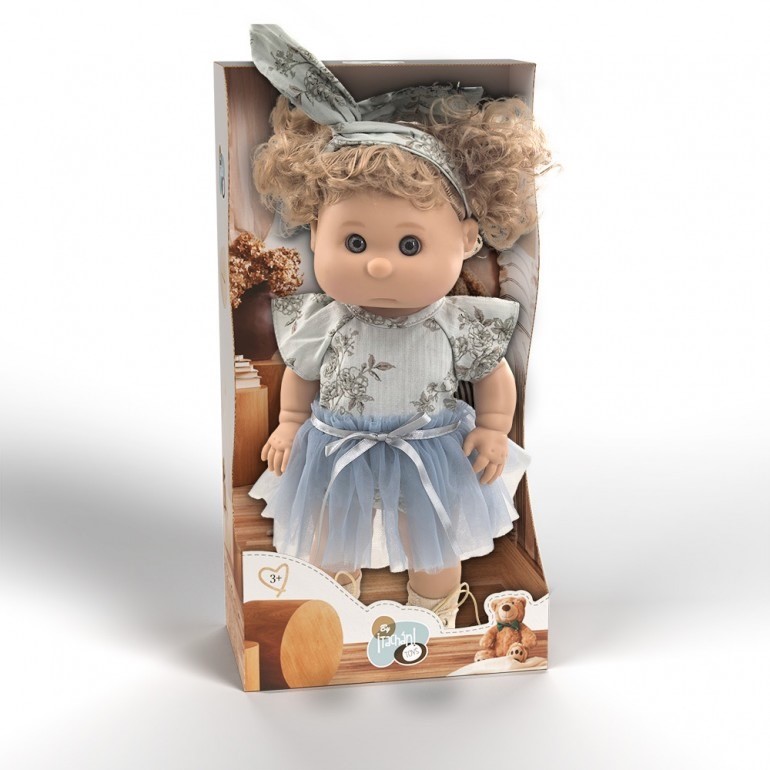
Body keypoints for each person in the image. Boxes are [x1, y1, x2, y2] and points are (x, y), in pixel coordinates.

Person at [248, 25, 550, 627]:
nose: (379, 265)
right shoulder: (327, 318)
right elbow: (303, 372)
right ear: (316, 235)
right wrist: (289, 422)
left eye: (410, 244)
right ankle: (332, 616)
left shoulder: (455, 322)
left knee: (431, 541)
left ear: (467, 240)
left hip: (428, 449)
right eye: (354, 242)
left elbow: (492, 375)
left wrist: (494, 428)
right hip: (337, 446)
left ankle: (432, 616)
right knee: (329, 538)